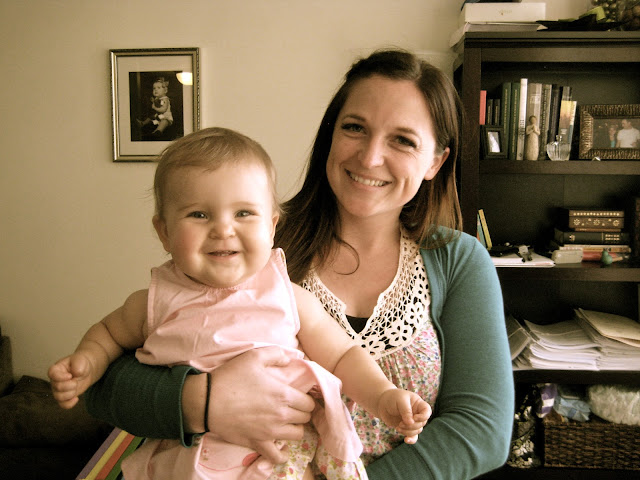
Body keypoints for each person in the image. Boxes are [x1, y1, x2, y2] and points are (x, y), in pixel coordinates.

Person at [73, 49, 514, 479]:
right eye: (354, 127)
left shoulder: (457, 261)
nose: (369, 157)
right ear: (330, 135)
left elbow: (482, 432)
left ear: (436, 161)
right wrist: (201, 402)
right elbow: (102, 387)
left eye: (403, 140)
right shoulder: (250, 245)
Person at [48, 127, 431, 479]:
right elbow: (108, 335)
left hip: (281, 461)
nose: (223, 228)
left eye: (244, 213)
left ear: (272, 226)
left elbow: (342, 355)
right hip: (188, 462)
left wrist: (382, 396)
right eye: (199, 214)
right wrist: (87, 361)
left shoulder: (287, 296)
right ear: (164, 232)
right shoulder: (154, 302)